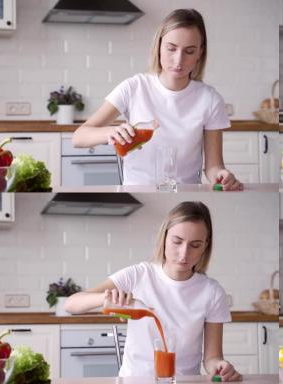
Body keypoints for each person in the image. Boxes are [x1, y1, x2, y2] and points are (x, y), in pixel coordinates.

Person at [65, 201, 242, 381]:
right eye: (177, 241)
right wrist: (105, 297)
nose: (183, 254)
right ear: (164, 238)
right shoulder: (138, 275)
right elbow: (71, 304)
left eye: (195, 245)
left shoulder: (212, 292)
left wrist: (219, 366)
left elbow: (212, 358)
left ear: (206, 245)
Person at [72, 9, 242, 191]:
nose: (179, 60)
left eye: (189, 51)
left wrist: (221, 175)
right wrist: (110, 133)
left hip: (186, 194)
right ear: (158, 46)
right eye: (171, 48)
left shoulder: (210, 100)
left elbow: (213, 166)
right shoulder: (133, 87)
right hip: (137, 192)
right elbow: (79, 137)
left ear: (200, 52)